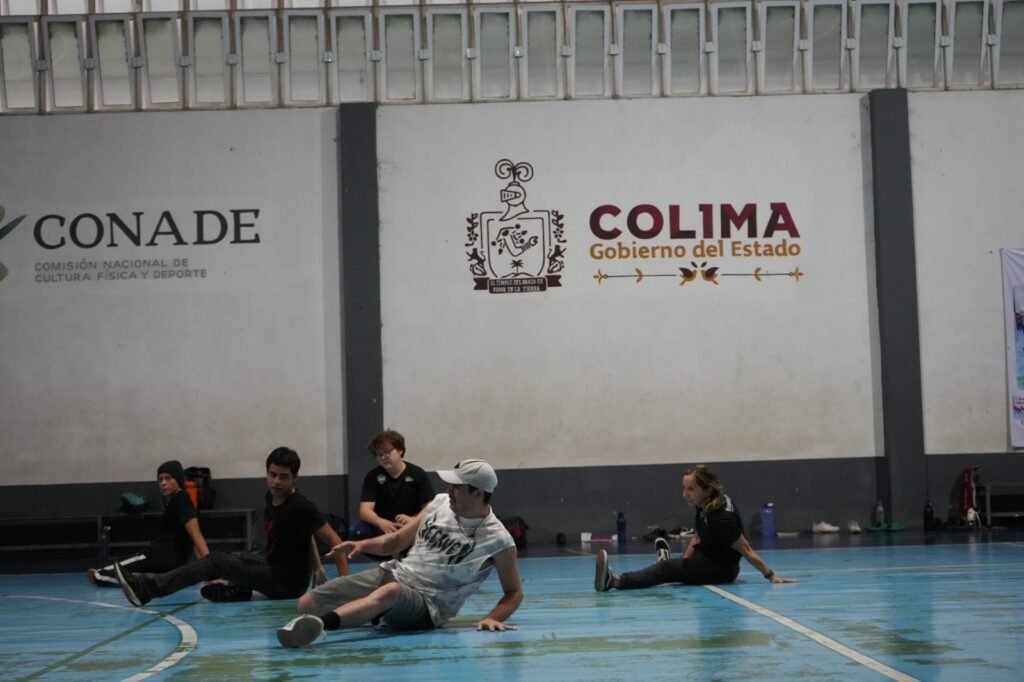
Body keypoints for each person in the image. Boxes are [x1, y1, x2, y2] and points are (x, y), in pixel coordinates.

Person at [275, 458, 523, 648]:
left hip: (428, 604)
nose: (449, 490)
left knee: (390, 592)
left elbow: (514, 592)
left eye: (457, 487)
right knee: (307, 603)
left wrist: (493, 617)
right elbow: (395, 542)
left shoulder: (498, 539)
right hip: (395, 575)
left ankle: (322, 626)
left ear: (477, 493)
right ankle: (373, 611)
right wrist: (361, 545)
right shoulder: (439, 503)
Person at [113, 447, 348, 606]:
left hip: (286, 584)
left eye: (283, 477)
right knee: (237, 557)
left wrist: (345, 587)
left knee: (217, 561)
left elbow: (335, 541)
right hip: (272, 565)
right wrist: (317, 567)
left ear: (295, 478)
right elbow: (306, 533)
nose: (276, 481)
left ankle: (148, 588)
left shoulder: (301, 506)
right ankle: (239, 589)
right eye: (272, 474)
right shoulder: (272, 497)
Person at [594, 464, 797, 592]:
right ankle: (666, 565)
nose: (685, 494)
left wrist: (771, 575)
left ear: (707, 490)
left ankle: (615, 581)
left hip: (720, 571)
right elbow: (698, 537)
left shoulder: (721, 518)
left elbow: (746, 549)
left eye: (691, 489)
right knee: (671, 569)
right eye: (684, 487)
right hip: (705, 557)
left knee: (666, 569)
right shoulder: (706, 504)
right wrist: (682, 565)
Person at [88, 460, 210, 587]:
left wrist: (211, 569)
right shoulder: (178, 500)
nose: (163, 483)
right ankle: (149, 577)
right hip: (172, 563)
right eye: (160, 479)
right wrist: (204, 570)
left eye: (168, 478)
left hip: (159, 556)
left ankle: (144, 581)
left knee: (100, 574)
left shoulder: (181, 499)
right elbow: (192, 539)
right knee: (122, 567)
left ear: (178, 480)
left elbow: (196, 535)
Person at [353, 429, 434, 540]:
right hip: (382, 524)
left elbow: (429, 505)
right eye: (379, 454)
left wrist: (414, 520)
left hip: (411, 523)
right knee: (359, 532)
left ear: (400, 450)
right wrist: (381, 522)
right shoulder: (373, 476)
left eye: (387, 452)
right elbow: (365, 511)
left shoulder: (417, 473)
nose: (383, 457)